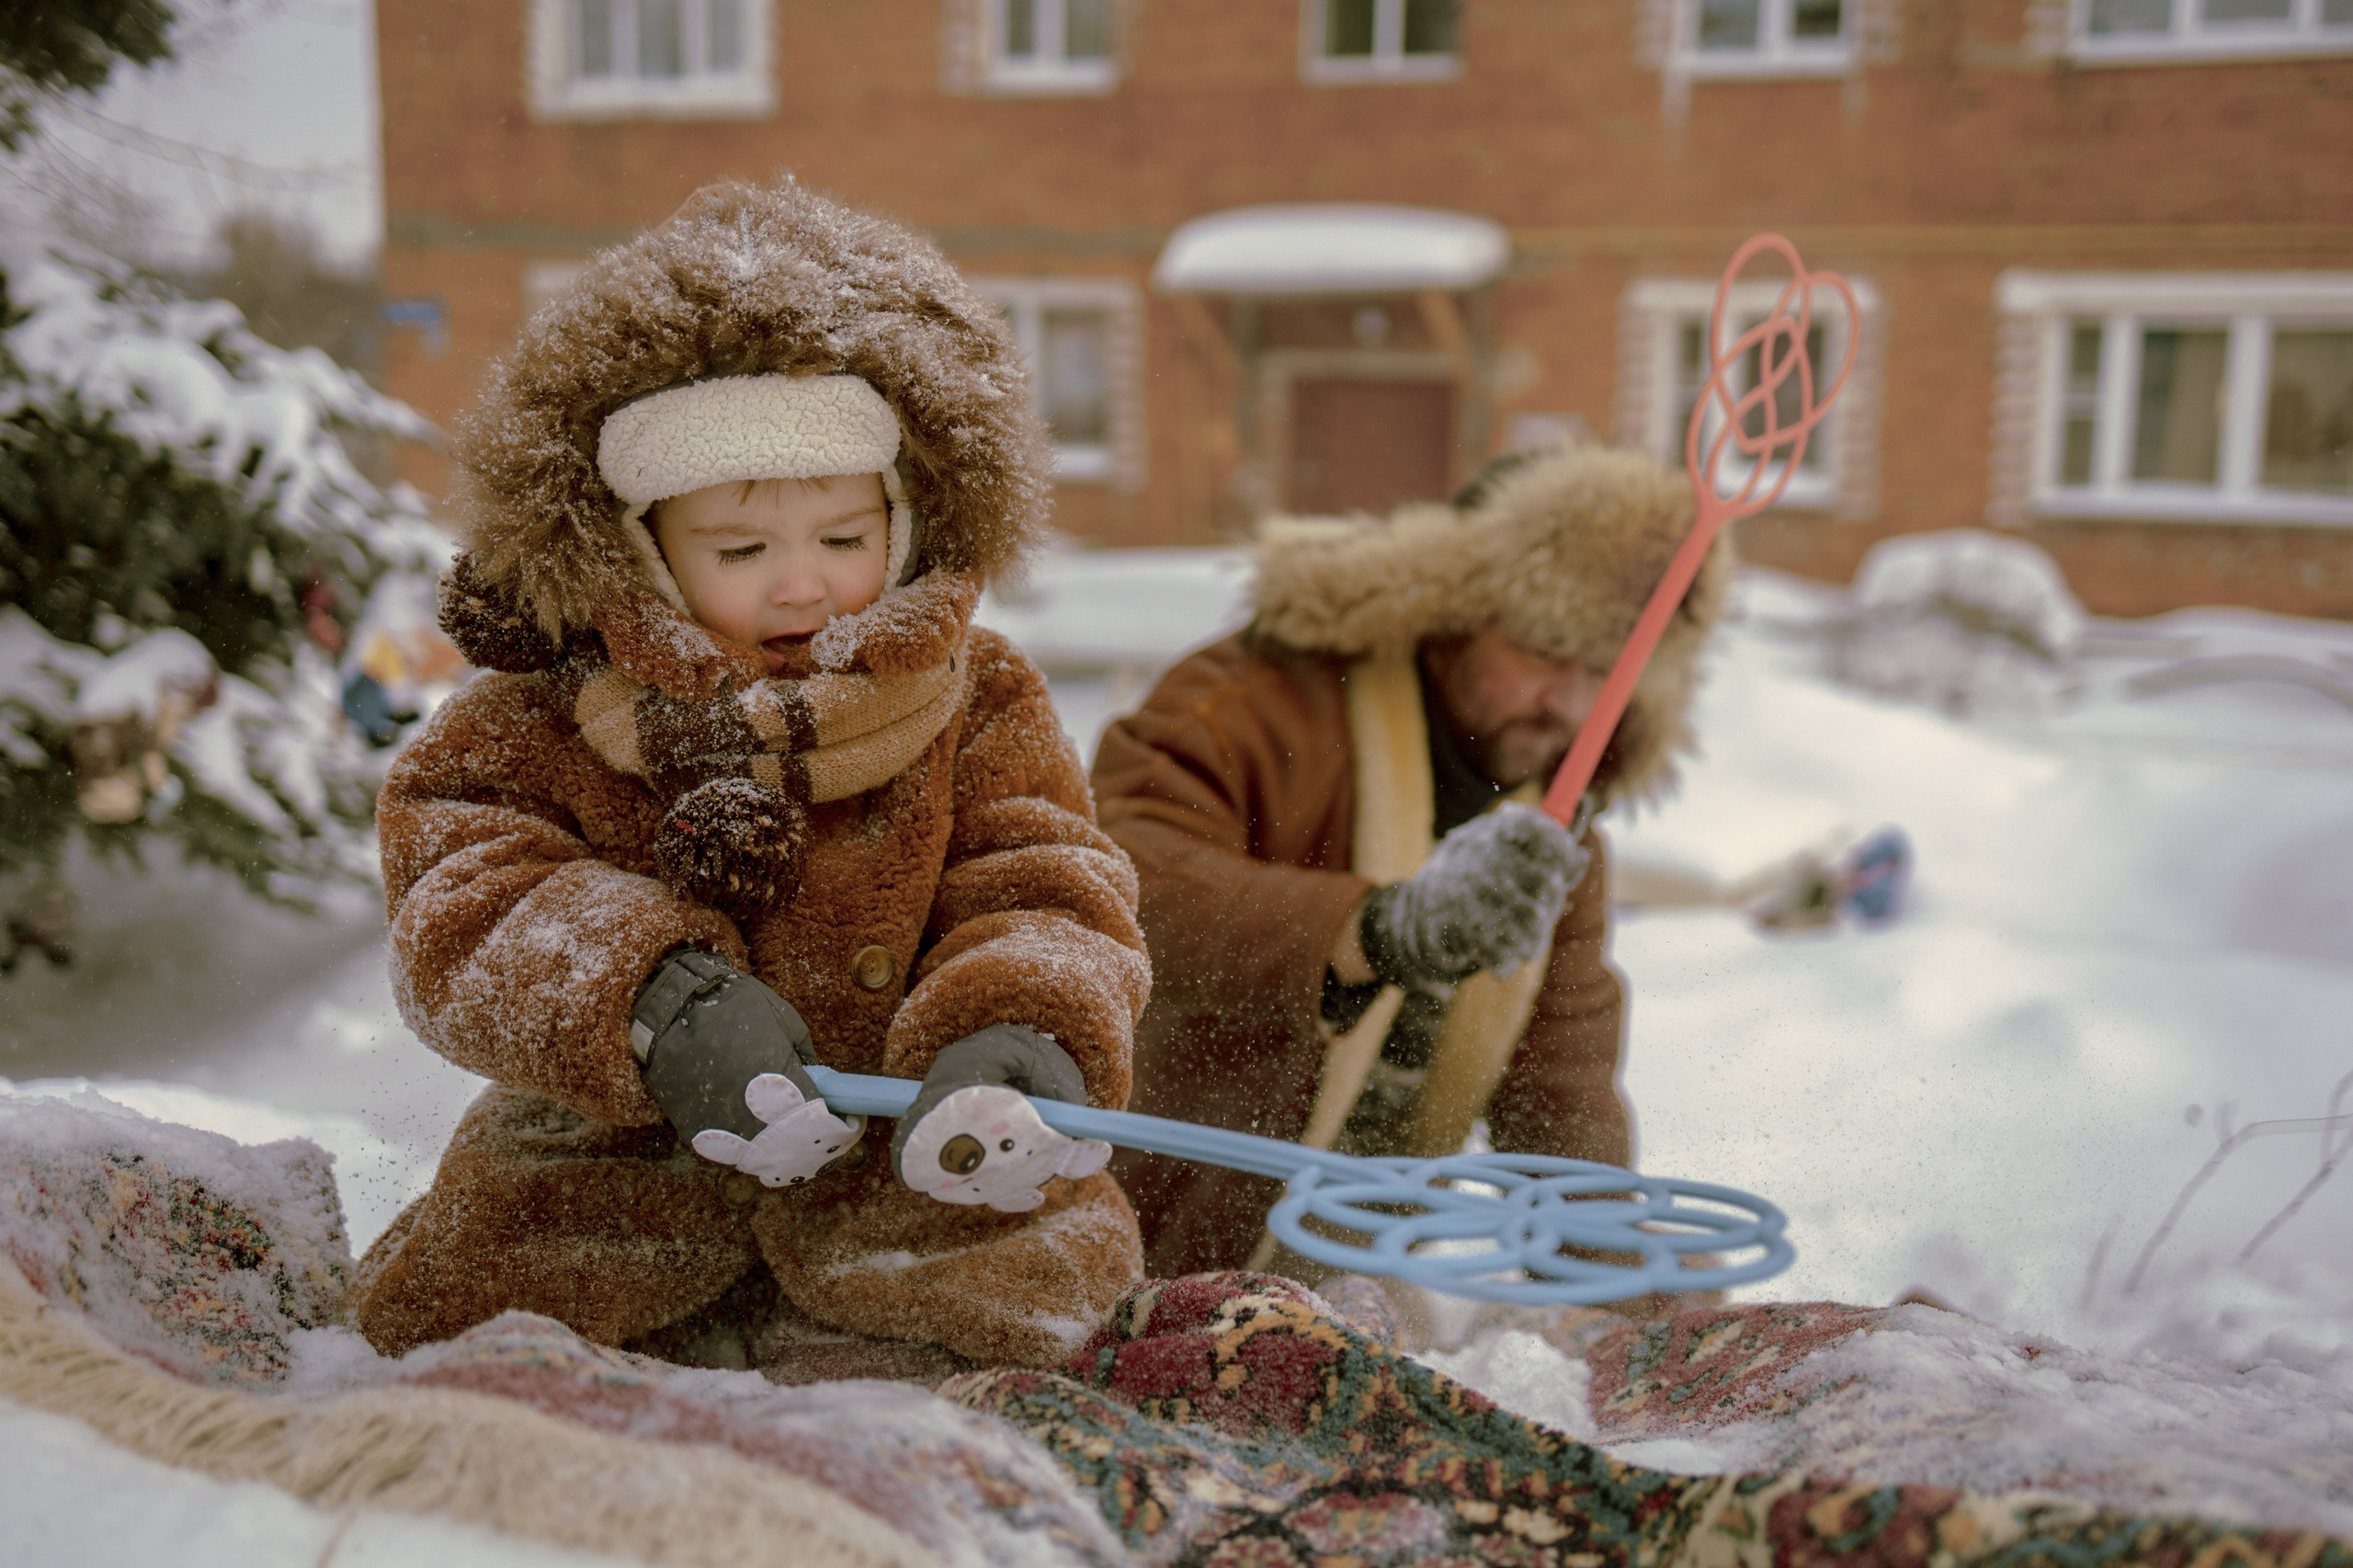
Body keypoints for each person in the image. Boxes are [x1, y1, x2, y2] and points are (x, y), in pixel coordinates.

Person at [351, 177, 1151, 1369]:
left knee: (1040, 1352)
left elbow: (1043, 882)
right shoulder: (542, 718)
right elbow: (460, 896)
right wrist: (656, 1002)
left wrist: (1017, 1031)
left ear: (912, 519)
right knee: (489, 1374)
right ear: (644, 551)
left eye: (844, 539)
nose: (803, 586)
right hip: (594, 1209)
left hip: (922, 1192)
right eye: (741, 548)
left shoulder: (975, 695)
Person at [1091, 446, 1729, 1278]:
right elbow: (1118, 879)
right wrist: (1375, 931)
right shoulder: (1253, 701)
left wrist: (1611, 1290)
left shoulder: (1554, 828)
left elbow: (1560, 1089)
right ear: (1454, 609)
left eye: (1604, 670)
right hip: (1136, 1230)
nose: (1567, 703)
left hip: (1354, 1264)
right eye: (1544, 648)